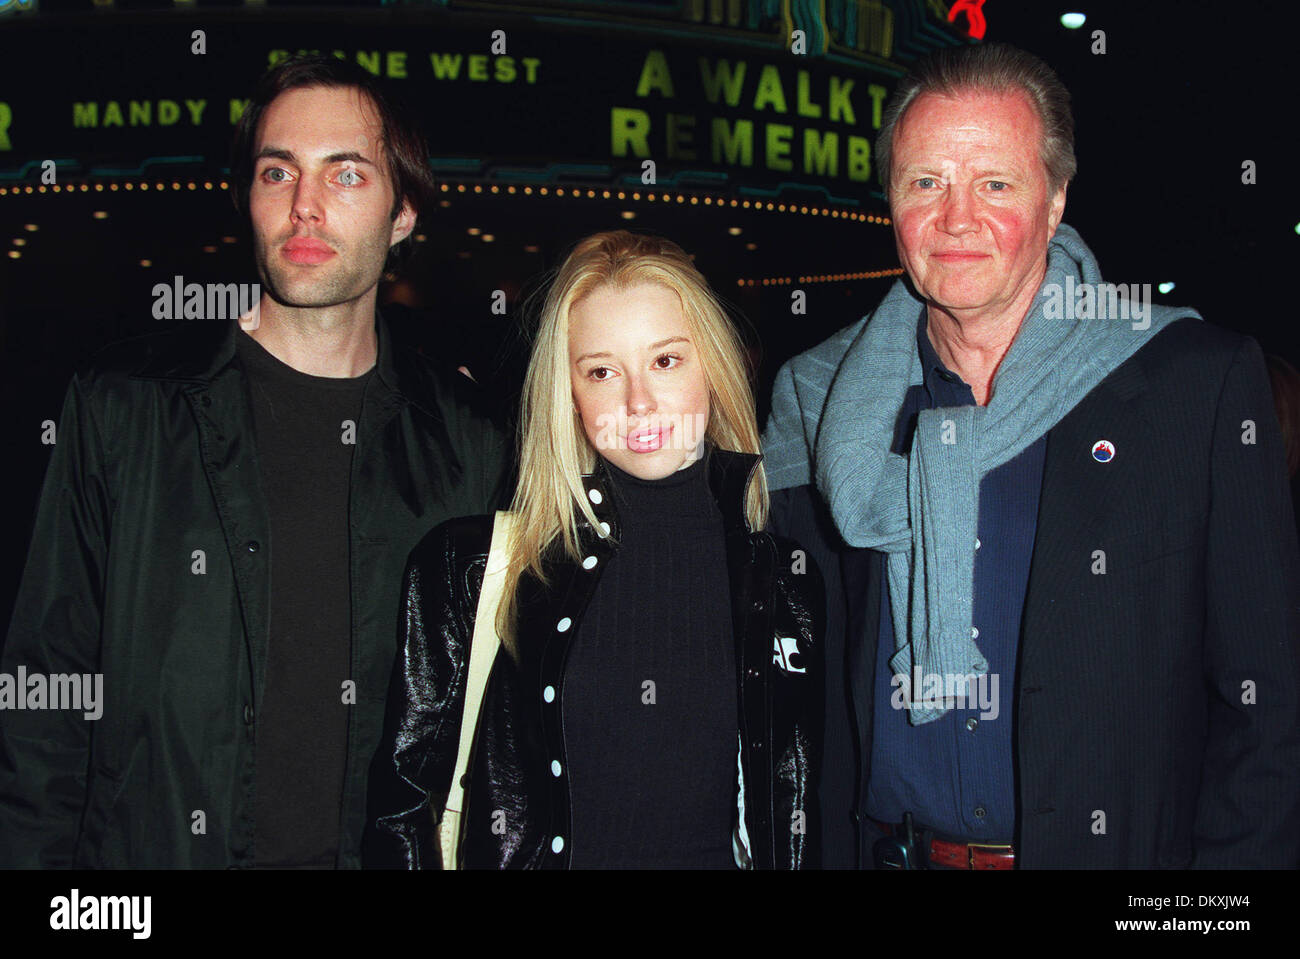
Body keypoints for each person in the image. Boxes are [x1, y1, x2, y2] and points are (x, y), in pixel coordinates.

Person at [763, 42, 1300, 869]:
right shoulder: (820, 400)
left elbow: (1269, 711)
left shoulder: (1194, 384)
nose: (956, 218)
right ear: (892, 206)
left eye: (996, 184)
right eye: (926, 182)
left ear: (1054, 204)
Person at [0, 55, 511, 868]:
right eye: (278, 172)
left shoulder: (473, 445)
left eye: (345, 175)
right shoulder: (123, 408)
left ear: (404, 211)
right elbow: (42, 709)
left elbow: (497, 731)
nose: (303, 206)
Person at [366, 230, 822, 868]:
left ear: (714, 367)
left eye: (665, 361)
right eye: (602, 371)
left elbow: (793, 818)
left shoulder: (784, 585)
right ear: (569, 395)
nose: (638, 402)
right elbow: (402, 811)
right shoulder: (471, 568)